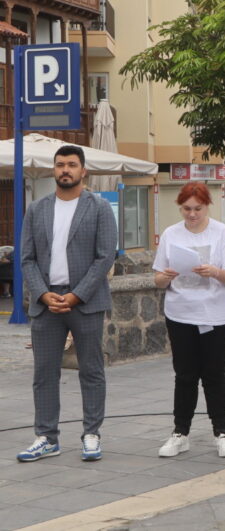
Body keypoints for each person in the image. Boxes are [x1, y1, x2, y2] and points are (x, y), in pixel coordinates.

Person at [17, 145, 117, 463]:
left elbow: (104, 257)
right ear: (53, 169)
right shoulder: (37, 209)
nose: (65, 170)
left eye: (72, 165)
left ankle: (91, 434)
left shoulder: (99, 208)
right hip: (46, 303)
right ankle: (47, 437)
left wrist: (77, 295)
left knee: (90, 370)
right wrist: (43, 293)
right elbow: (27, 258)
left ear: (83, 170)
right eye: (60, 165)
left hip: (84, 302)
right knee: (44, 373)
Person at [153, 182, 225, 459]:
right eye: (187, 209)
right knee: (185, 375)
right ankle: (181, 432)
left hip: (216, 314)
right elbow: (157, 279)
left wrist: (214, 271)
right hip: (181, 313)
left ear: (207, 206)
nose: (192, 214)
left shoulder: (221, 233)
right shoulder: (170, 234)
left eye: (197, 209)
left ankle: (222, 432)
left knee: (214, 373)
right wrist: (166, 276)